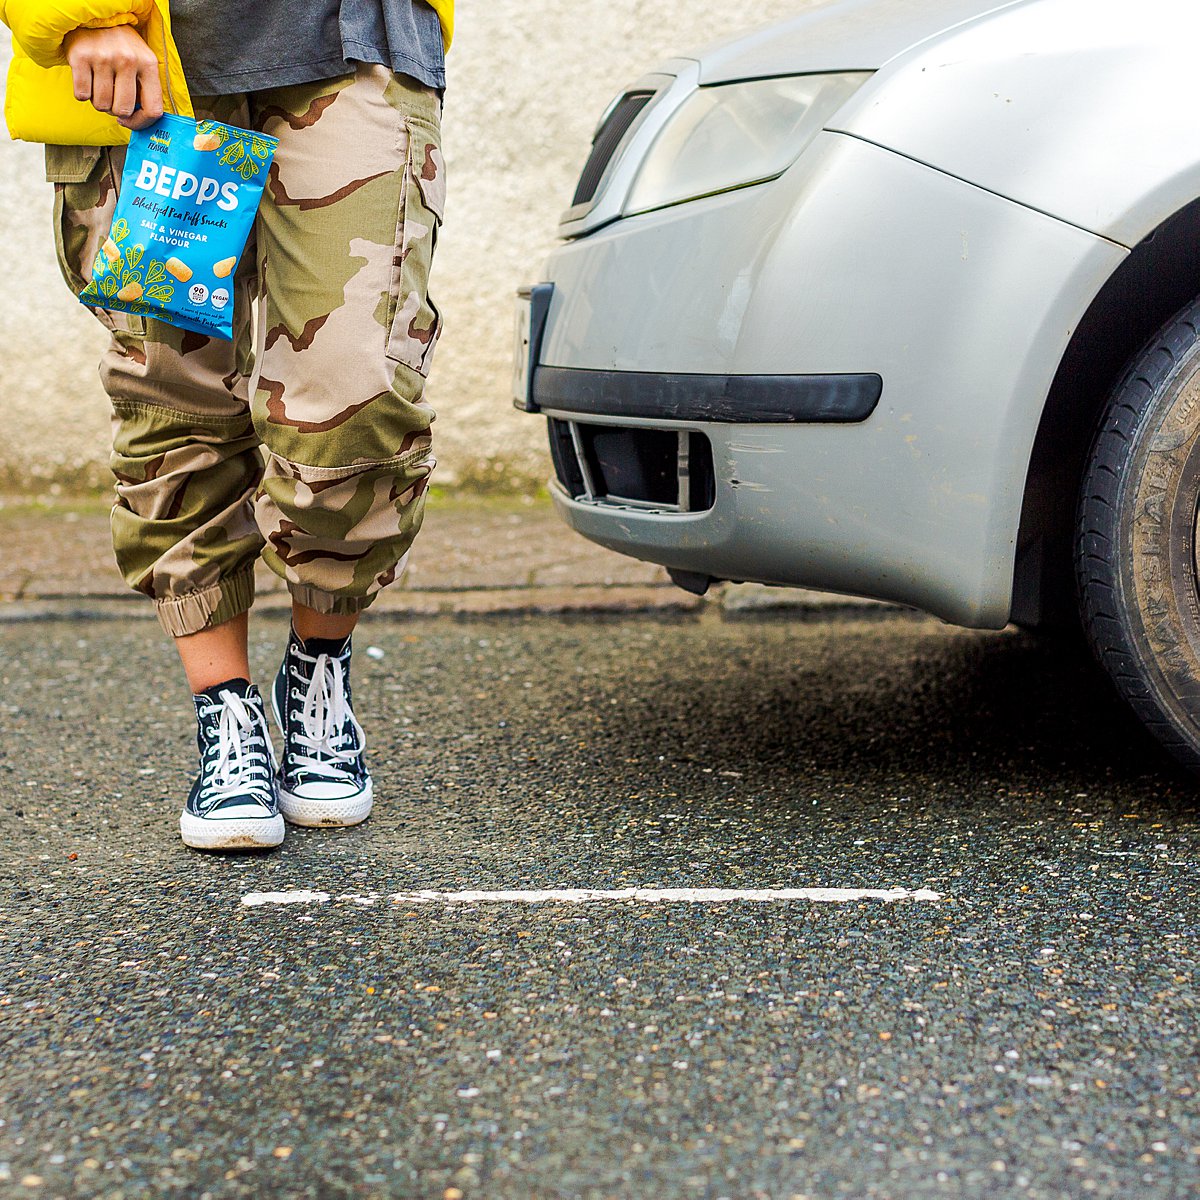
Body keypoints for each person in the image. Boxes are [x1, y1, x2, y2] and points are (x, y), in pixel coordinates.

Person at [2, 0, 453, 851]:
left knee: (356, 389)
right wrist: (73, 13)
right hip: (146, 58)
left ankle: (318, 670)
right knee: (173, 395)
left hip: (355, 41)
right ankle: (226, 712)